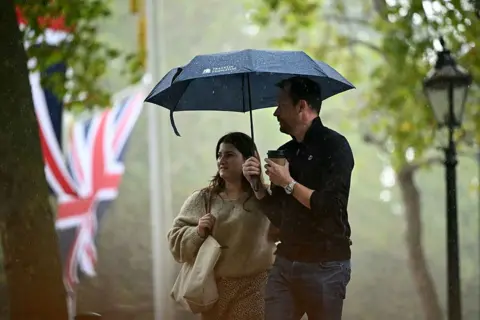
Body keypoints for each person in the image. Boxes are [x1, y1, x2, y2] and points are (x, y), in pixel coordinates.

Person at [242, 76, 354, 320]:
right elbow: (281, 216)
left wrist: (288, 183)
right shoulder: (287, 152)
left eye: (281, 105)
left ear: (301, 106)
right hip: (285, 263)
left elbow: (330, 207)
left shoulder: (335, 146)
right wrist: (257, 186)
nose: (275, 113)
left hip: (325, 265)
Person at [167, 132, 277, 320]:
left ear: (248, 158)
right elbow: (175, 243)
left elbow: (284, 228)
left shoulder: (265, 197)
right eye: (219, 155)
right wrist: (198, 232)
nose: (221, 160)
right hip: (212, 290)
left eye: (229, 155)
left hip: (256, 286)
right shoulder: (202, 199)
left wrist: (258, 184)